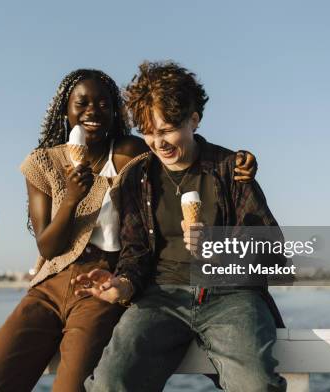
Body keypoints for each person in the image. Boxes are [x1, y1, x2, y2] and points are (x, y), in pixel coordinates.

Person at [0, 68, 258, 392]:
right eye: (82, 103)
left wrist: (236, 162)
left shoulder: (135, 154)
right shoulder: (43, 163)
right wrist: (72, 199)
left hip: (103, 282)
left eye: (104, 104)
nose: (92, 111)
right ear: (65, 109)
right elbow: (48, 247)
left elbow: (182, 144)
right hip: (52, 281)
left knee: (76, 386)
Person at [75, 61, 287, 392]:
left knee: (256, 386)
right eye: (149, 132)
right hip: (160, 297)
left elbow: (274, 253)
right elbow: (137, 252)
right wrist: (124, 284)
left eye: (168, 129)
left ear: (194, 119)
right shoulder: (137, 177)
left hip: (232, 296)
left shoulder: (232, 169)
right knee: (108, 383)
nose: (159, 143)